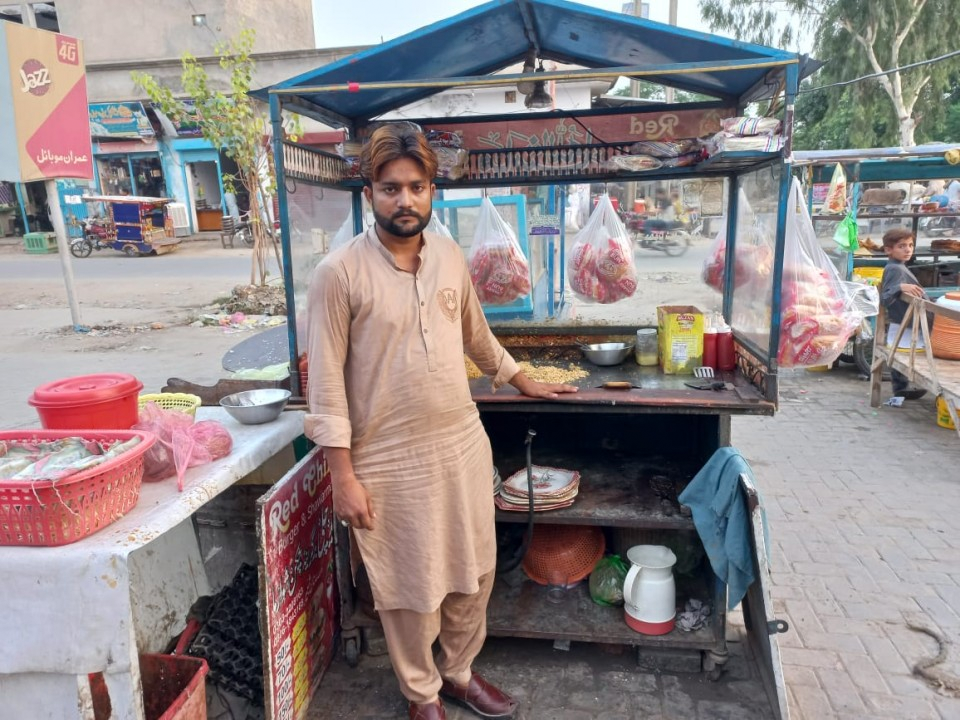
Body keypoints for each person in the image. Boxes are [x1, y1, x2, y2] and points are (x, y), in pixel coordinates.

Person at [304, 124, 578, 720]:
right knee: (409, 587)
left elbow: (476, 334)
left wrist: (521, 378)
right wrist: (342, 476)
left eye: (416, 187)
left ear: (432, 190)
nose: (405, 200)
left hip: (460, 445)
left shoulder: (451, 255)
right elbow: (323, 386)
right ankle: (421, 694)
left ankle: (458, 673)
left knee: (474, 570)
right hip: (387, 459)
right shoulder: (338, 273)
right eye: (390, 188)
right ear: (369, 193)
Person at [879, 227, 928, 400]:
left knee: (899, 354)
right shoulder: (895, 269)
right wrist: (899, 287)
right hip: (905, 321)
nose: (908, 250)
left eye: (910, 245)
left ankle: (901, 389)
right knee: (901, 355)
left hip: (904, 320)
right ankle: (901, 388)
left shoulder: (898, 267)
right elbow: (885, 297)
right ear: (888, 250)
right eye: (902, 246)